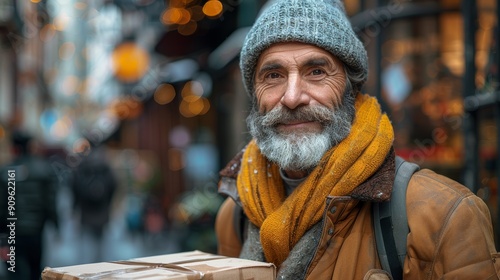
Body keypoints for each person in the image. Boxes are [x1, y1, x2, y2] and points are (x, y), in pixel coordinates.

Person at [214, 0, 500, 279]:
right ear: (255, 94)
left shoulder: (445, 215)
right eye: (273, 75)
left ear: (351, 87)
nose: (292, 97)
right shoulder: (235, 214)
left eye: (316, 72)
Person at [0, 131, 60, 280]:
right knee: (35, 270)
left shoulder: (5, 171)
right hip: (36, 231)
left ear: (14, 148)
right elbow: (50, 201)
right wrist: (55, 223)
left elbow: (1, 207)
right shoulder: (43, 169)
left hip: (12, 233)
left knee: (13, 272)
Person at [71, 143, 117, 263]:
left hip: (86, 211)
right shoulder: (106, 167)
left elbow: (75, 188)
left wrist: (75, 206)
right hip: (102, 211)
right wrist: (108, 204)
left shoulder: (82, 167)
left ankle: (88, 268)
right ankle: (102, 267)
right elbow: (113, 186)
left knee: (86, 244)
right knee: (102, 243)